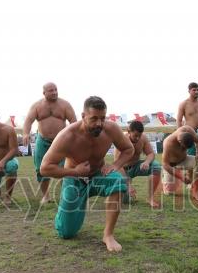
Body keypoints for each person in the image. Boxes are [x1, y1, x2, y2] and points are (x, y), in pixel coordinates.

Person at [40, 96, 134, 252]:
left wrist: (116, 165)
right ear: (83, 116)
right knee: (66, 233)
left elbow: (128, 149)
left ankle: (108, 235)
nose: (99, 123)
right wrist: (74, 171)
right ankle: (65, 213)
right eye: (94, 118)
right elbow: (45, 168)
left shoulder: (111, 129)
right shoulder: (67, 136)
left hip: (98, 174)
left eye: (102, 118)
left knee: (118, 181)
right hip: (75, 178)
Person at [23, 82, 77, 204]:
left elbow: (73, 121)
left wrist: (73, 138)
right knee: (40, 169)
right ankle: (46, 196)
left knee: (67, 167)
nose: (54, 92)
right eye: (51, 90)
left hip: (61, 141)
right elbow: (28, 121)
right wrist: (26, 133)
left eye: (55, 89)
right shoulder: (37, 106)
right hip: (42, 140)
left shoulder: (65, 104)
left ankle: (66, 195)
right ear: (44, 93)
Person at [114, 120, 162, 208]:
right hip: (123, 171)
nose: (137, 138)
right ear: (129, 132)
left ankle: (150, 198)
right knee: (126, 201)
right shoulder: (121, 141)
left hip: (136, 166)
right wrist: (128, 185)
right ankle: (114, 190)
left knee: (156, 166)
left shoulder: (143, 138)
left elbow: (151, 154)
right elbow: (118, 165)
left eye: (139, 136)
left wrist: (147, 162)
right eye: (135, 135)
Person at [160, 125, 198, 201]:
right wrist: (181, 177)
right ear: (179, 142)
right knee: (169, 192)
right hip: (171, 166)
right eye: (184, 147)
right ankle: (177, 176)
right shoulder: (168, 143)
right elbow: (165, 164)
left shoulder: (188, 129)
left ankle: (195, 191)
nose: (185, 149)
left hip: (184, 160)